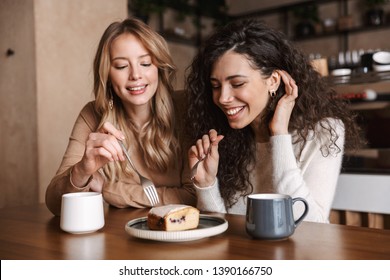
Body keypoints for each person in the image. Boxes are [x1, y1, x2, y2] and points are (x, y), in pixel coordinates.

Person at [183, 18, 363, 223]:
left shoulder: (325, 131)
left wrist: (279, 134)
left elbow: (310, 225)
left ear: (273, 81)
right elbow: (220, 231)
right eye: (216, 86)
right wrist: (206, 185)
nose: (223, 98)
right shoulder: (224, 138)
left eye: (237, 83)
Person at [46, 18, 196, 216]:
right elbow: (55, 205)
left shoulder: (186, 107)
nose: (135, 75)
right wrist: (82, 171)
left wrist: (109, 190)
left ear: (158, 68)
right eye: (121, 66)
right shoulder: (92, 115)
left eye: (145, 63)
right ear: (107, 74)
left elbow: (193, 197)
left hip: (181, 238)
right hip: (122, 238)